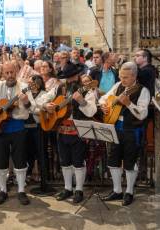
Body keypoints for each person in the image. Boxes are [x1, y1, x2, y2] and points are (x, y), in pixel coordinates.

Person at [37, 61, 97, 203]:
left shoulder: (86, 89)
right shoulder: (60, 88)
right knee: (65, 162)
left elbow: (92, 111)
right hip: (61, 130)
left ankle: (79, 190)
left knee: (78, 162)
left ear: (77, 76)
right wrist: (46, 105)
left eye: (72, 77)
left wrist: (82, 101)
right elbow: (40, 100)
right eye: (67, 77)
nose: (69, 80)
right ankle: (67, 188)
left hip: (78, 131)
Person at [0, 61, 35, 205]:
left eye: (12, 72)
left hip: (18, 129)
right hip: (1, 129)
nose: (10, 75)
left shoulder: (24, 88)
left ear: (16, 71)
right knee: (1, 161)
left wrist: (26, 101)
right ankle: (3, 190)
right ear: (2, 74)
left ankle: (21, 191)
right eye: (7, 73)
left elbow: (33, 108)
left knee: (20, 160)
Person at [99, 62, 150, 206]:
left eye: (126, 77)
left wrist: (129, 104)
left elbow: (142, 114)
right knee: (113, 160)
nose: (122, 80)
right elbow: (104, 98)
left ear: (134, 76)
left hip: (132, 131)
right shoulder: (118, 86)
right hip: (115, 128)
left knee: (130, 161)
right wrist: (103, 105)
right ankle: (117, 191)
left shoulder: (142, 90)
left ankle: (129, 191)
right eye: (121, 76)